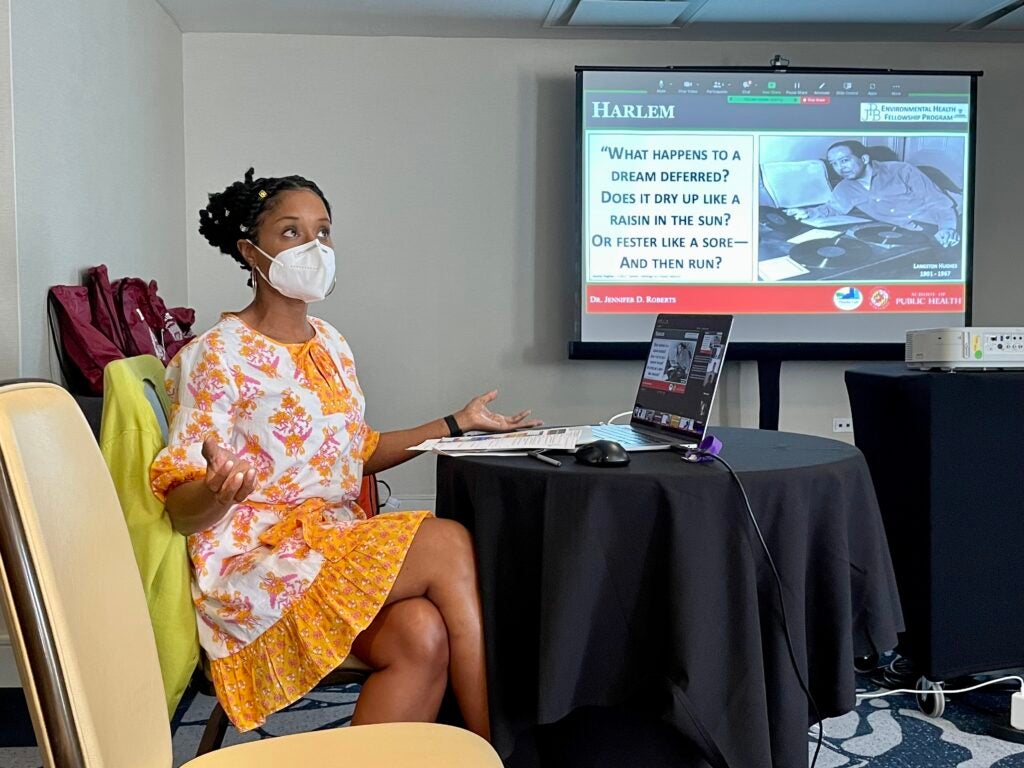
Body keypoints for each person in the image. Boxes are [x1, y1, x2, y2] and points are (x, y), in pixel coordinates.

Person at [149, 169, 540, 739]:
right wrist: (214, 491)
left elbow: (355, 451)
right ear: (250, 252)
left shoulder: (331, 343)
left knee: (421, 633)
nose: (313, 247)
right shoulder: (215, 355)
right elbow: (179, 509)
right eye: (290, 233)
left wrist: (459, 423)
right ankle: (497, 751)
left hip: (326, 545)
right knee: (447, 541)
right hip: (257, 570)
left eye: (323, 232)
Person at [784, 140, 961, 248]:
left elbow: (938, 202)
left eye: (845, 160)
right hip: (905, 232)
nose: (840, 168)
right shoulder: (845, 188)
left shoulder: (901, 170)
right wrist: (808, 212)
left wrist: (947, 228)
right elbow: (832, 208)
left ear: (864, 159)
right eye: (834, 164)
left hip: (944, 221)